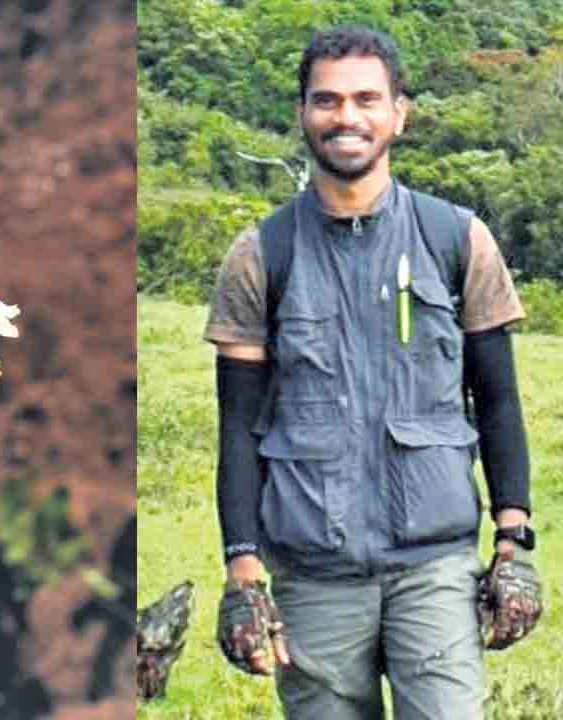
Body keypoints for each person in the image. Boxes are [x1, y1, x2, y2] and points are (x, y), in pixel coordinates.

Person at [203, 24, 543, 719]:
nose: (347, 117)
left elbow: (500, 402)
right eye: (326, 101)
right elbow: (237, 427)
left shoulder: (457, 239)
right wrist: (243, 570)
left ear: (399, 113)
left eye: (366, 98)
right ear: (303, 113)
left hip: (437, 571)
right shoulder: (260, 256)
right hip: (312, 577)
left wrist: (513, 542)